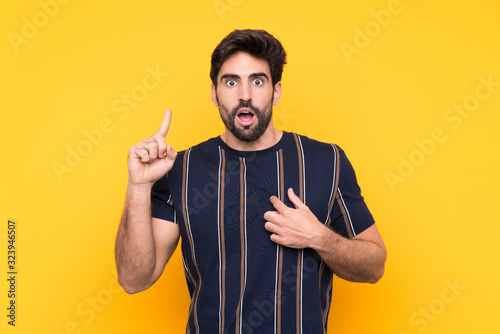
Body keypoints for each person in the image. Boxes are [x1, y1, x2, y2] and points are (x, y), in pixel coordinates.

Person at [115, 29, 386, 333]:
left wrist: (319, 237)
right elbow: (134, 279)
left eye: (258, 81)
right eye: (231, 82)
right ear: (215, 94)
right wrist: (138, 186)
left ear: (276, 91)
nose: (245, 94)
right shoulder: (180, 169)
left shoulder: (328, 161)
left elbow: (374, 266)